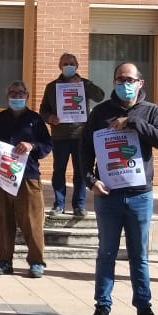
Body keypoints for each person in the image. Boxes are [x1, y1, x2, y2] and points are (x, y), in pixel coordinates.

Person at [80, 62, 158, 315]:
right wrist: (90, 181)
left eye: (130, 79)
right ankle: (102, 306)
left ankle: (143, 308)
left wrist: (132, 122)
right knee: (106, 252)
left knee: (138, 255)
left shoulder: (151, 111)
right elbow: (84, 148)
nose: (124, 83)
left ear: (140, 82)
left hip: (140, 195)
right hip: (108, 195)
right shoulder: (100, 112)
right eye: (120, 79)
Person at [0, 80, 53, 278]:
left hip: (28, 177)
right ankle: (4, 261)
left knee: (32, 221)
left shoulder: (35, 120)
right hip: (0, 178)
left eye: (20, 93)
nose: (16, 96)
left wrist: (32, 146)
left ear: (27, 96)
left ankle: (36, 262)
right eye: (13, 93)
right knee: (4, 221)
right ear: (7, 96)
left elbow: (47, 145)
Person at [39, 52, 105, 216]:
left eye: (71, 63)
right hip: (59, 136)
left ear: (77, 66)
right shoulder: (52, 86)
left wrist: (84, 85)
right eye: (65, 63)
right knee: (59, 171)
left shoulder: (84, 84)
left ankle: (79, 206)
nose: (69, 66)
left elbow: (100, 96)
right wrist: (50, 118)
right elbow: (43, 110)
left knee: (80, 171)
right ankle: (58, 204)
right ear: (60, 66)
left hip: (81, 136)